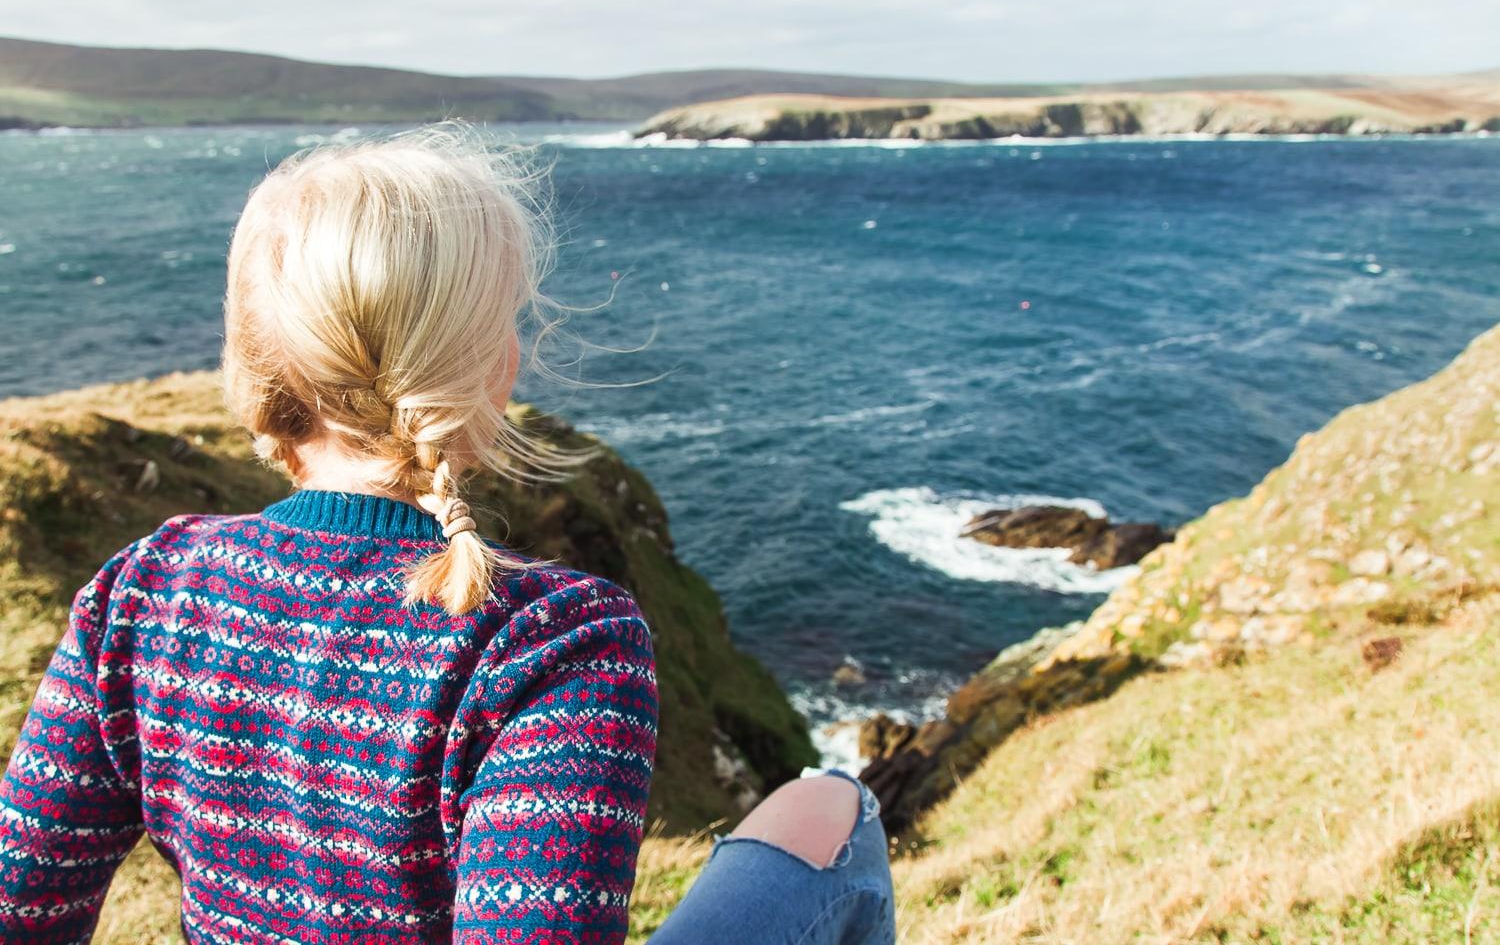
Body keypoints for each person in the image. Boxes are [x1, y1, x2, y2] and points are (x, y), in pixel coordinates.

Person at [0, 121, 894, 944]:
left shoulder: (146, 588)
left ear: (251, 364)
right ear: (493, 373)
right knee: (831, 807)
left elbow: (22, 903)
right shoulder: (560, 640)